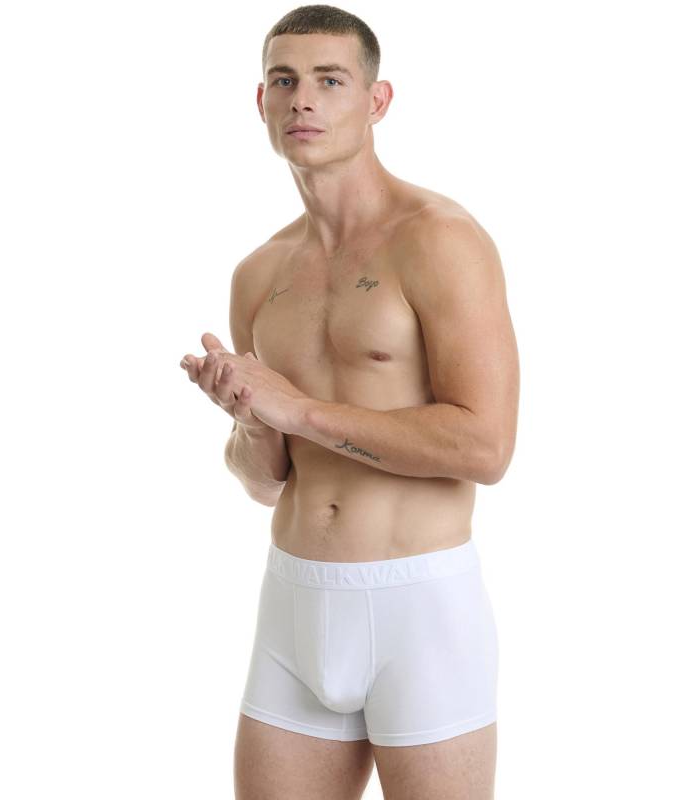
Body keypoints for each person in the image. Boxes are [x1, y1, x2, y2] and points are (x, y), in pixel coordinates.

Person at [179, 5, 519, 798]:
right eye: (284, 81)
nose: (303, 99)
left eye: (330, 80)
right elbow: (266, 482)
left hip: (418, 610)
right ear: (261, 101)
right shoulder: (259, 273)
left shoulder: (439, 239)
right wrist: (251, 421)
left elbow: (485, 447)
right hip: (294, 605)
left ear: (377, 100)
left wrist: (299, 410)